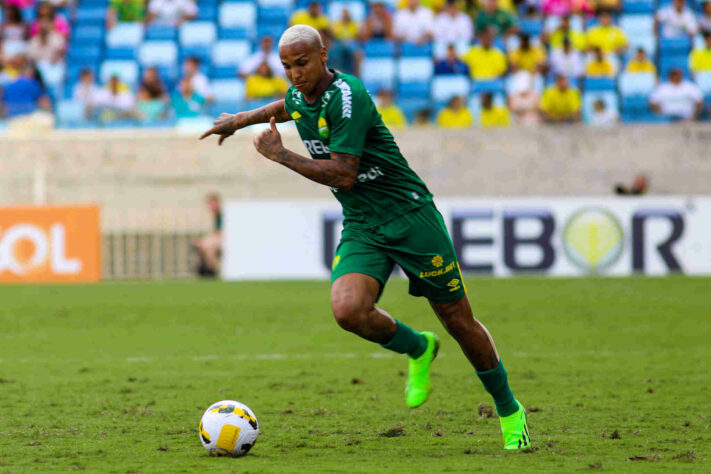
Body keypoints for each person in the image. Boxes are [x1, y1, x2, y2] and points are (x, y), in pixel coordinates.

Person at [200, 24, 530, 451]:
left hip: (411, 218)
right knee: (348, 310)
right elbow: (289, 106)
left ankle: (509, 409)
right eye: (286, 66)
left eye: (302, 63)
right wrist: (240, 119)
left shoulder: (350, 97)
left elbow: (343, 174)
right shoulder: (302, 93)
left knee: (458, 322)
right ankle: (418, 348)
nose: (295, 73)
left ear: (323, 55)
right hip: (363, 224)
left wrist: (280, 155)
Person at [191, 193, 223, 277]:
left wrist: (204, 240)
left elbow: (222, 233)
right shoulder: (216, 217)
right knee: (206, 247)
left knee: (208, 246)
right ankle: (207, 270)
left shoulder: (223, 215)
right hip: (220, 240)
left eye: (213, 204)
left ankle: (210, 272)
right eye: (209, 204)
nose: (211, 207)